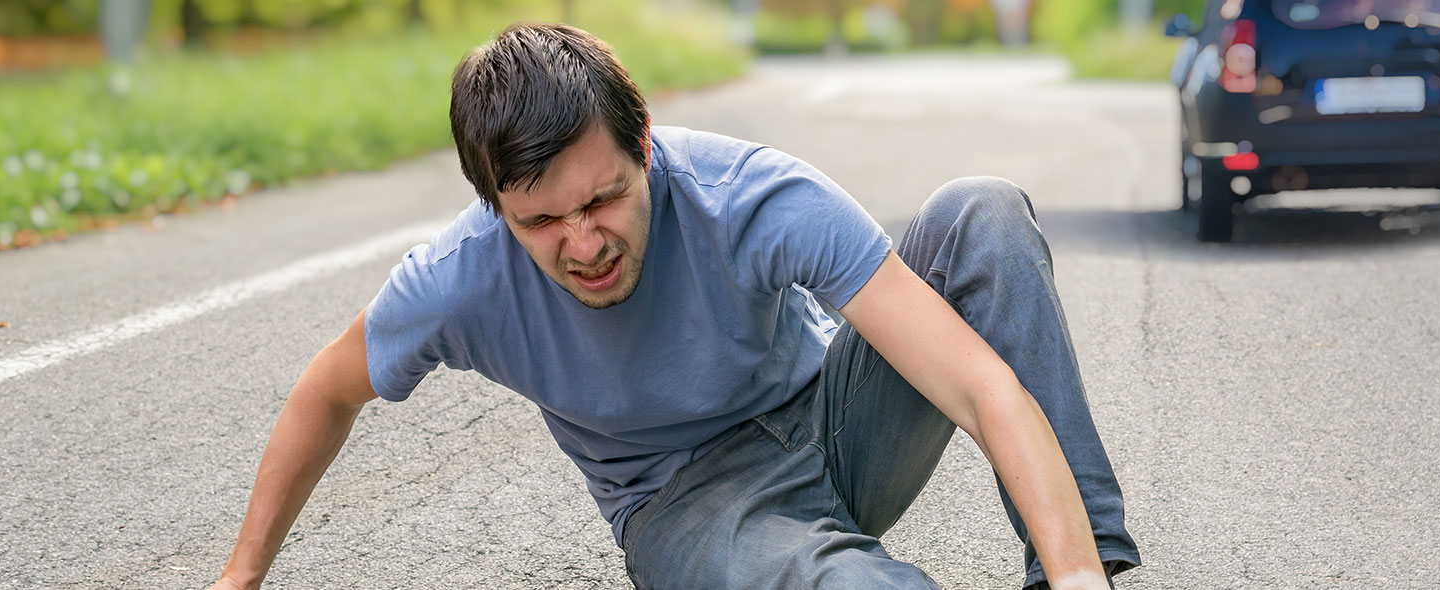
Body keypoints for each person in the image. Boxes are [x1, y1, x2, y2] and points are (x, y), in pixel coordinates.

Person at [208, 22, 1139, 590]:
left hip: (834, 423)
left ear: (644, 142)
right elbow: (328, 390)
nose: (582, 243)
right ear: (493, 205)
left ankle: (1079, 566)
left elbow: (978, 385)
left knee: (979, 210)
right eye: (540, 220)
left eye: (602, 198)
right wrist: (239, 575)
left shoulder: (750, 196)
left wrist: (1072, 577)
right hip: (687, 503)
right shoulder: (458, 276)